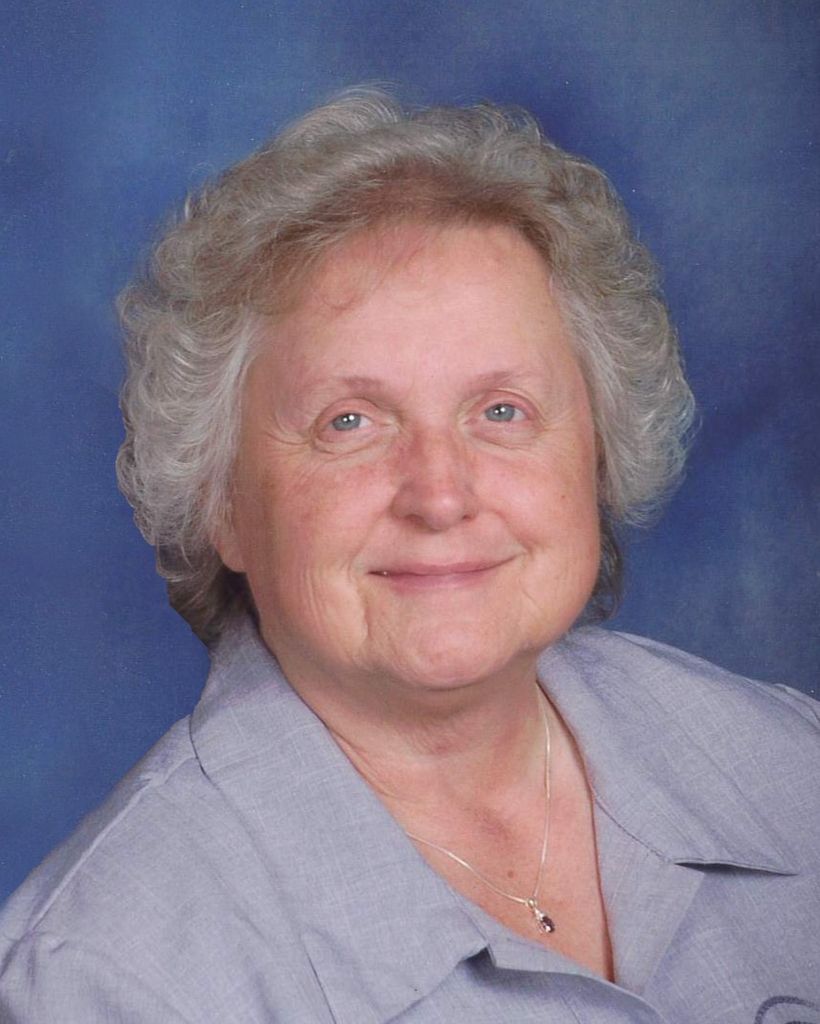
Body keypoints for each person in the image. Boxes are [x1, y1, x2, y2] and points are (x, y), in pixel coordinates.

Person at [0, 91, 817, 1023]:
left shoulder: (789, 767)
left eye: (501, 411)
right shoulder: (105, 978)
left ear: (596, 454)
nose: (440, 494)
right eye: (349, 422)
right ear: (223, 504)